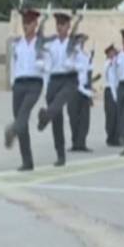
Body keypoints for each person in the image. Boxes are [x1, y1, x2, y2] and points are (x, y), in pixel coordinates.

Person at [37, 12, 82, 167]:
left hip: (69, 79)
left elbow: (76, 34)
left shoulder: (74, 42)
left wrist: (78, 20)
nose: (60, 27)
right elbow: (39, 39)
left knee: (57, 104)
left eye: (63, 24)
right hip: (54, 80)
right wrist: (42, 22)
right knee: (57, 120)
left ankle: (45, 116)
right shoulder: (52, 42)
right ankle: (60, 154)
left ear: (68, 26)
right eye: (58, 24)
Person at [4, 8, 47, 171]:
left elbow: (47, 64)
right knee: (21, 120)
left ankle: (11, 130)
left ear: (35, 24)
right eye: (24, 23)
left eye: (29, 23)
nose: (25, 26)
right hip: (20, 84)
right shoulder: (18, 44)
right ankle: (27, 161)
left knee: (23, 114)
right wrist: (12, 82)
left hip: (34, 83)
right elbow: (13, 65)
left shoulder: (40, 43)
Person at [69, 35, 93, 152]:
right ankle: (75, 142)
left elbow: (89, 73)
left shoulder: (87, 55)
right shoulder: (71, 54)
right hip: (73, 88)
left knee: (84, 117)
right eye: (79, 41)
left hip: (84, 89)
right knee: (73, 116)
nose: (81, 43)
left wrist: (90, 89)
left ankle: (82, 142)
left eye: (83, 41)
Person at [103, 44, 120, 146]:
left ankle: (116, 137)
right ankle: (110, 137)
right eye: (112, 52)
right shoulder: (108, 63)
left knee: (117, 115)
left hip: (116, 89)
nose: (114, 53)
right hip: (109, 90)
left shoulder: (115, 62)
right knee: (111, 115)